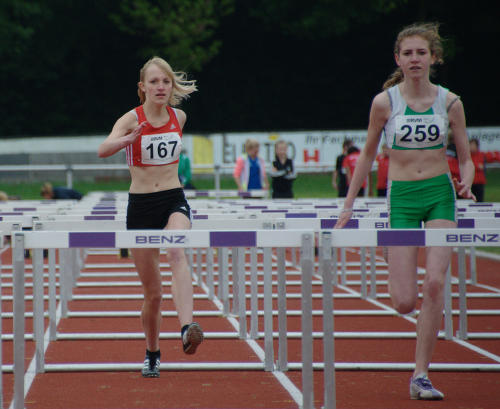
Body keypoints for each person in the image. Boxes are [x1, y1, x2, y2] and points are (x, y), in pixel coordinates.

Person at [334, 23, 475, 400]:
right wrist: (348, 204)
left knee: (434, 283)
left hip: (439, 194)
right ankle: (391, 255)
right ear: (398, 59)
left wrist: (466, 181)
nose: (415, 59)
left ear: (434, 57)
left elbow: (465, 156)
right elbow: (366, 155)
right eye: (408, 53)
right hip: (401, 198)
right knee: (404, 302)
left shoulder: (451, 103)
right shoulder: (385, 103)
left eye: (421, 53)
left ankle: (421, 374)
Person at [97, 56, 203, 378]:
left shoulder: (179, 117)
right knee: (153, 294)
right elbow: (103, 149)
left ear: (172, 86)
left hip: (173, 198)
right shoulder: (131, 118)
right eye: (154, 82)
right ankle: (152, 352)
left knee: (176, 249)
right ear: (142, 87)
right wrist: (127, 140)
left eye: (166, 82)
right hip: (140, 206)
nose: (161, 87)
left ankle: (188, 328)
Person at [469, 138, 500, 202]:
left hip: (479, 183)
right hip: (469, 183)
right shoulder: (467, 156)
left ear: (477, 146)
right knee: (468, 202)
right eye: (470, 145)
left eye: (472, 145)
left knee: (479, 201)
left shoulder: (482, 155)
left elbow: (494, 156)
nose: (470, 147)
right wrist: (477, 166)